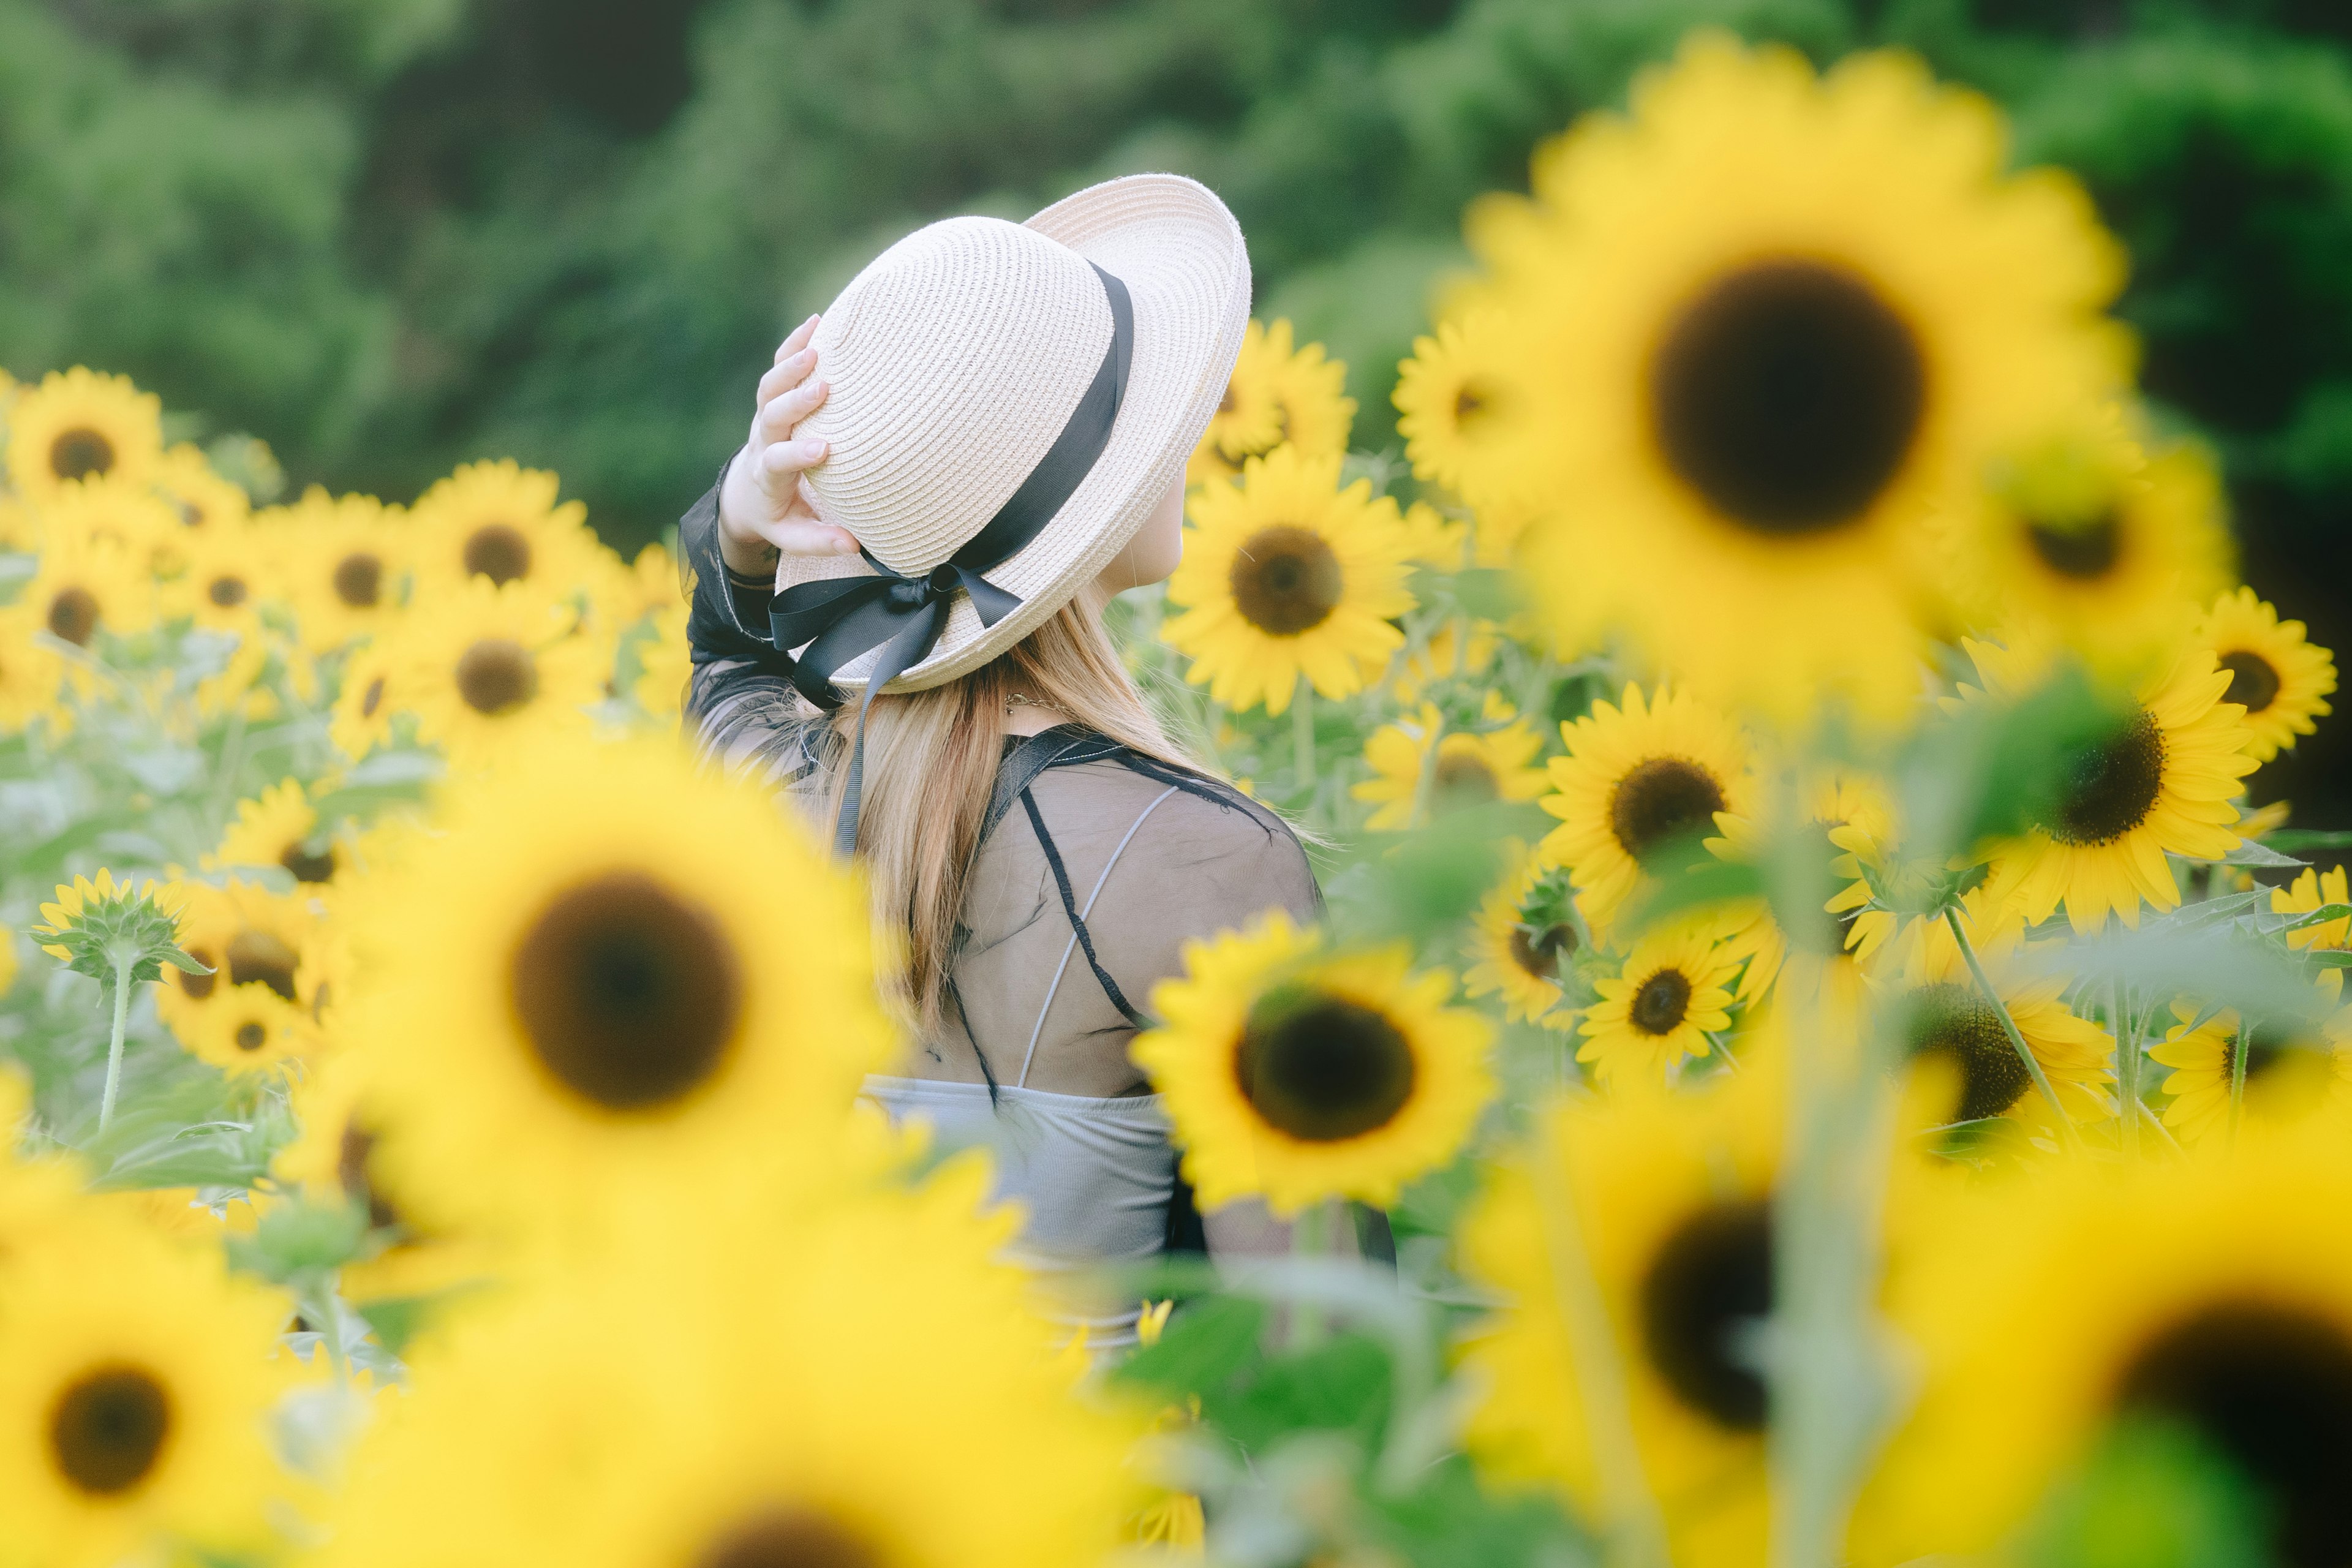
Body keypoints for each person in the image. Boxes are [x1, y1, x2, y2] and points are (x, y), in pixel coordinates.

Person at [677, 174, 1340, 1345]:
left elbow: (723, 666)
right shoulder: (1209, 868)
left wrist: (743, 516)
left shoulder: (765, 793)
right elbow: (1308, 1365)